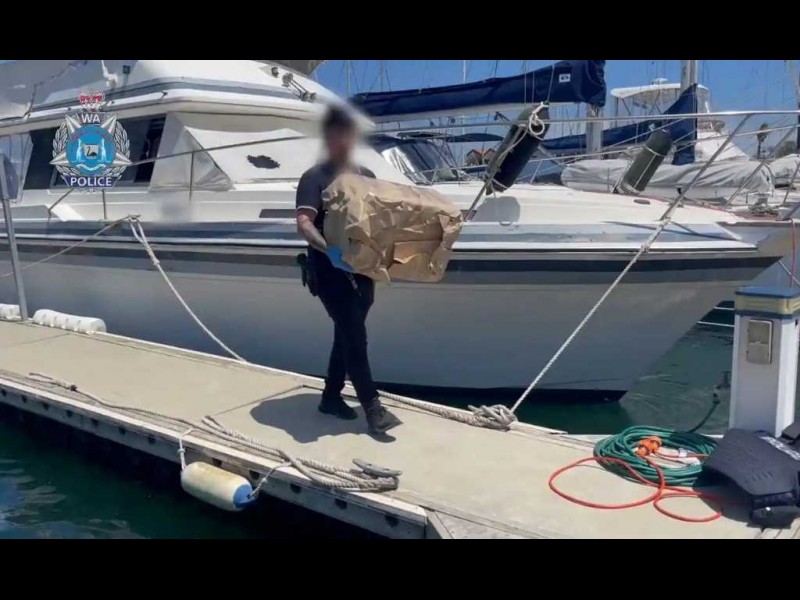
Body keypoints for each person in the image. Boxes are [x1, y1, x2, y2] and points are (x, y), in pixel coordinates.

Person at [295, 106, 402, 435]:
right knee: (355, 334)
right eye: (336, 134)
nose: (343, 140)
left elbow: (378, 218)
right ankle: (373, 407)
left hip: (363, 269)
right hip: (329, 269)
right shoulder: (315, 177)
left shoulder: (366, 175)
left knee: (346, 334)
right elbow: (304, 223)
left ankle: (330, 397)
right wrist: (329, 250)